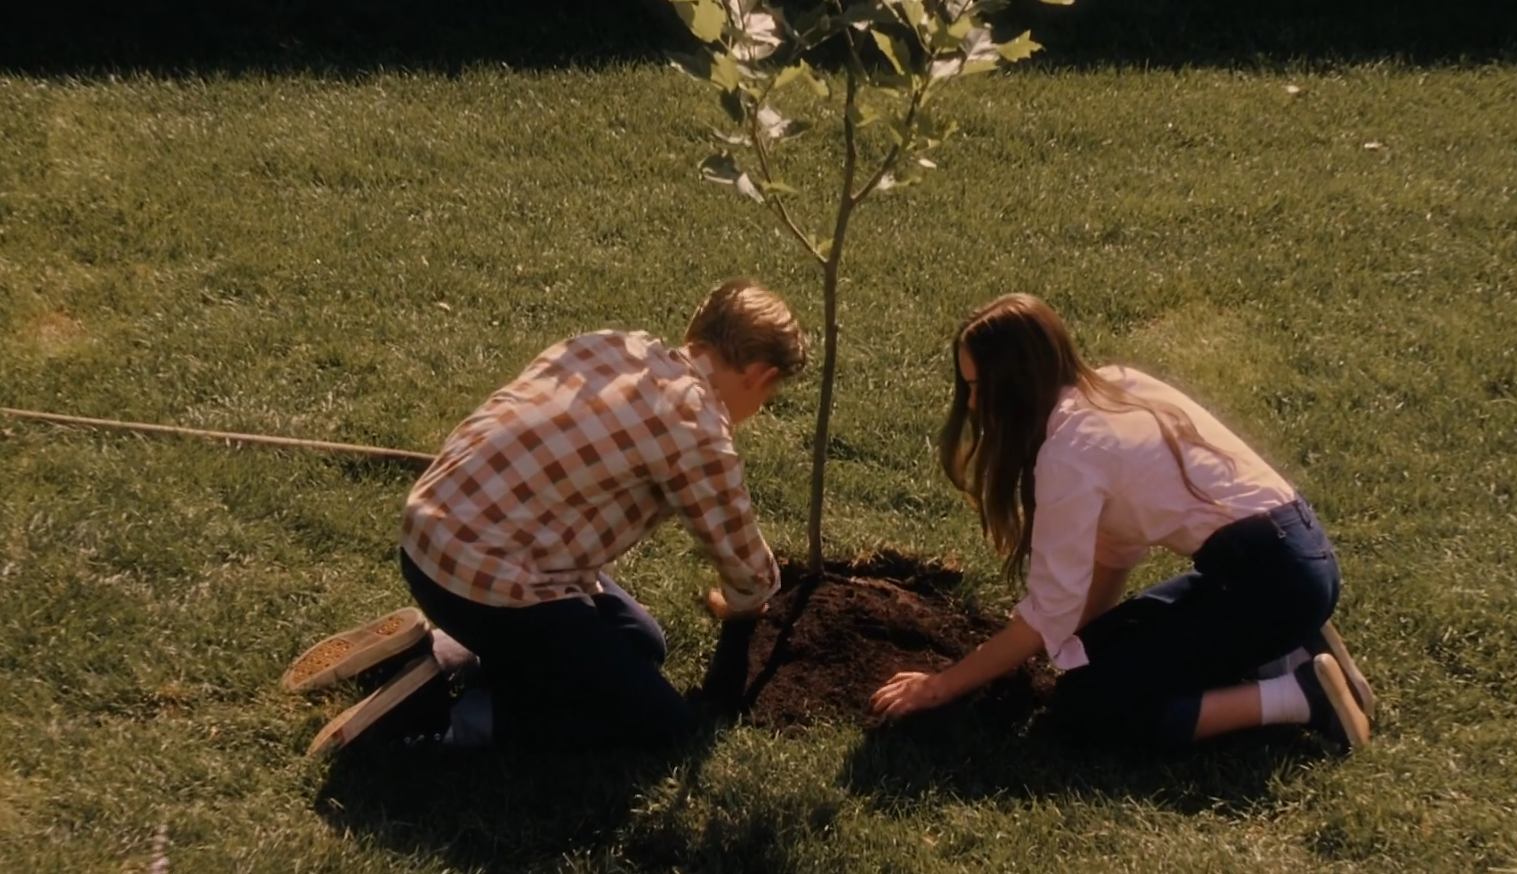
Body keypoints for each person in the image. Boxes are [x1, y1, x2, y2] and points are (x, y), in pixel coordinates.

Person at [284, 278, 807, 755]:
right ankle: (435, 718)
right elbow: (743, 563)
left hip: (429, 538)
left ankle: (430, 655)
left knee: (641, 642)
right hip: (488, 583)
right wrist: (748, 607)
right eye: (768, 395)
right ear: (762, 376)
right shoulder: (697, 429)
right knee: (657, 723)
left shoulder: (609, 347)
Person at [869, 293, 1375, 751]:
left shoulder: (1068, 455)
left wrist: (943, 685)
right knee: (1092, 657)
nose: (974, 403)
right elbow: (1112, 553)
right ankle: (1285, 647)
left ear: (1018, 384)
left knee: (1091, 707)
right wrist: (1078, 643)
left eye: (980, 388)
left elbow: (1049, 612)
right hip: (1289, 557)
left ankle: (1303, 695)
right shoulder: (1116, 385)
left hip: (1269, 583)